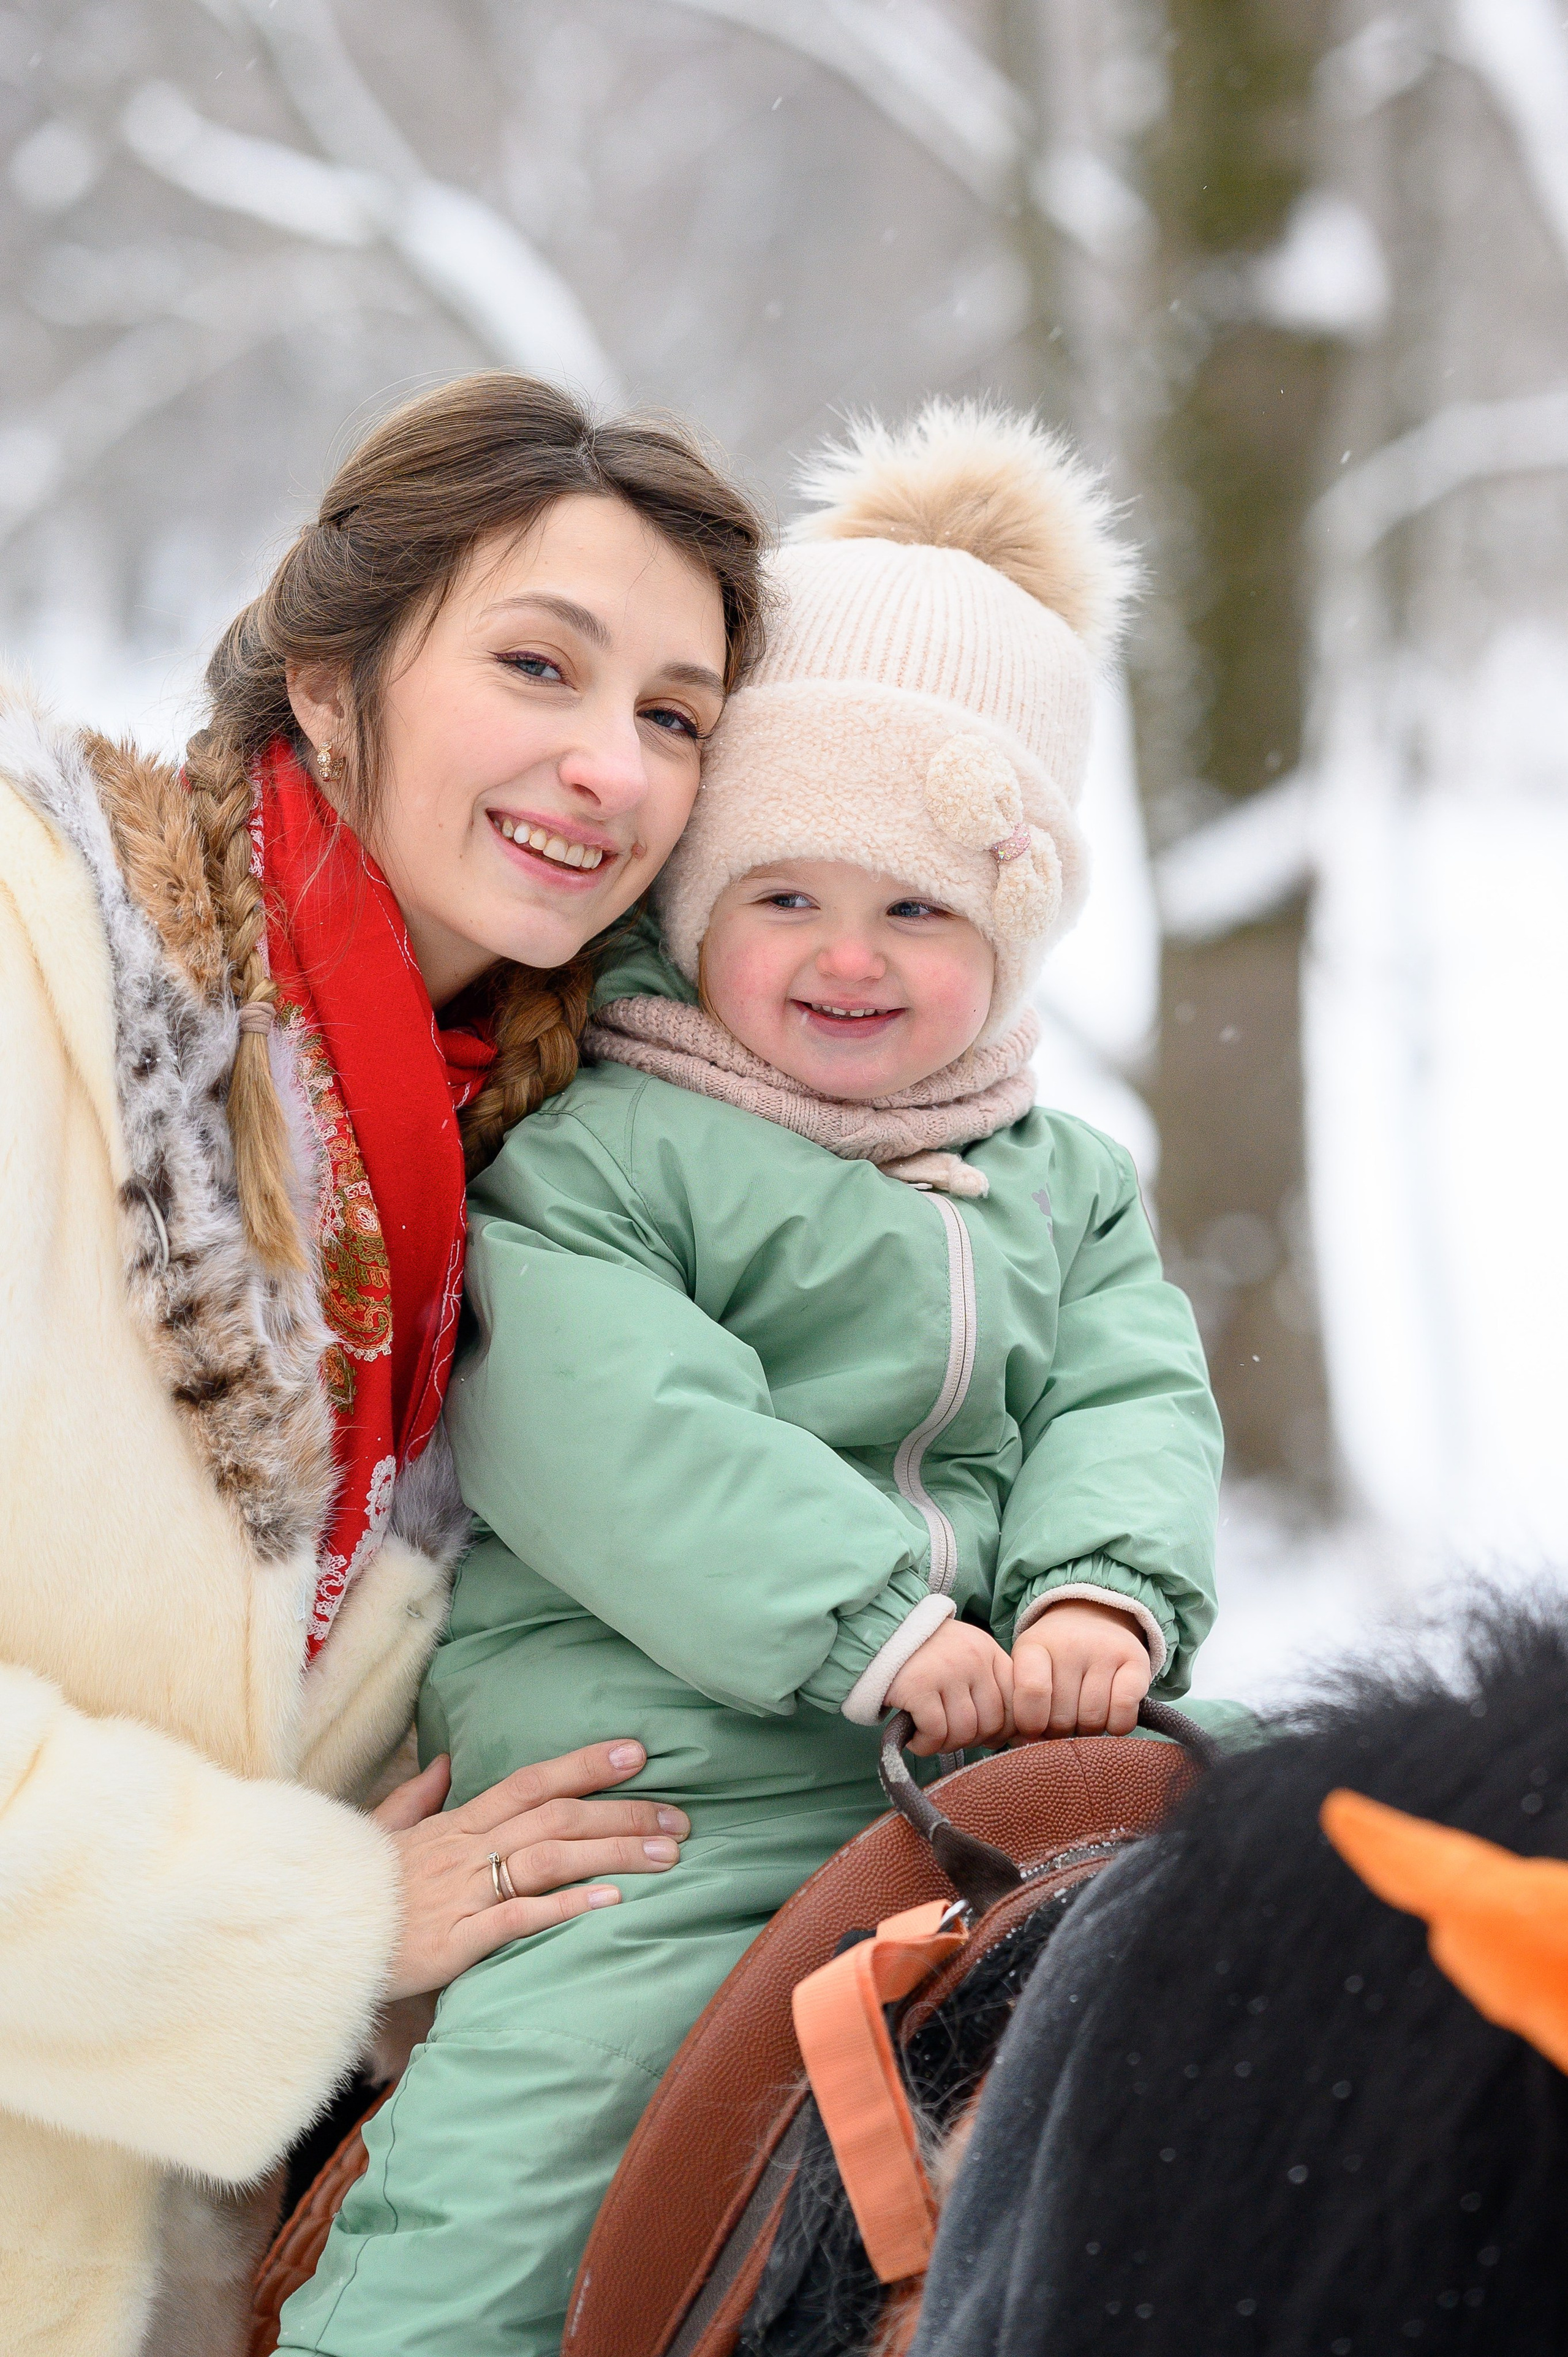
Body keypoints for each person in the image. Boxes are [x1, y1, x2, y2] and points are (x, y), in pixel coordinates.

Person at [276, 402, 1224, 2357]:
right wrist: (876, 1621)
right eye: (783, 896)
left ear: (1019, 933)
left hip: (1016, 1779)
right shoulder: (609, 1150)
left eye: (921, 912)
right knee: (523, 2173)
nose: (846, 960)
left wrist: (1099, 1594)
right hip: (672, 1806)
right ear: (696, 909)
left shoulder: (1068, 1191)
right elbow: (611, 1430)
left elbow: (1131, 1404)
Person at [0, 372, 767, 2357]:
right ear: (329, 678)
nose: (611, 766)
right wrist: (323, 1928)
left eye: (674, 715)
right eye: (540, 663)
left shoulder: (513, 1185)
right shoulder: (41, 979)